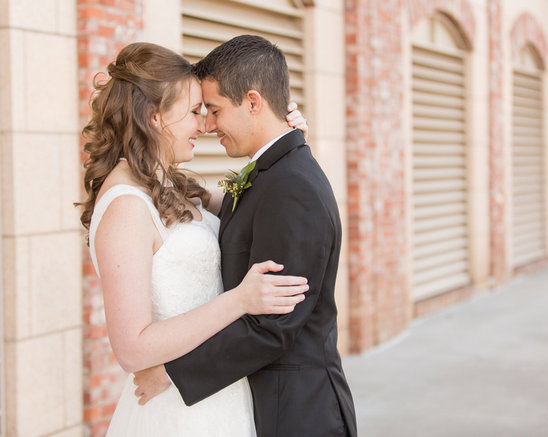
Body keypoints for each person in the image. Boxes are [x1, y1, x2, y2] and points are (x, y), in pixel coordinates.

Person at [77, 42, 311, 436]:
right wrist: (239, 300)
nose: (204, 126)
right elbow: (132, 348)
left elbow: (256, 207)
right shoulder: (125, 207)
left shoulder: (173, 186)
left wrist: (286, 143)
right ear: (154, 118)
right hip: (178, 415)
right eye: (193, 112)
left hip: (220, 394)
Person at [134, 35, 358, 437]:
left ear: (253, 102)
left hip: (297, 414)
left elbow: (274, 325)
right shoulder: (272, 173)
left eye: (215, 110)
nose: (208, 125)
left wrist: (172, 372)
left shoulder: (292, 186)